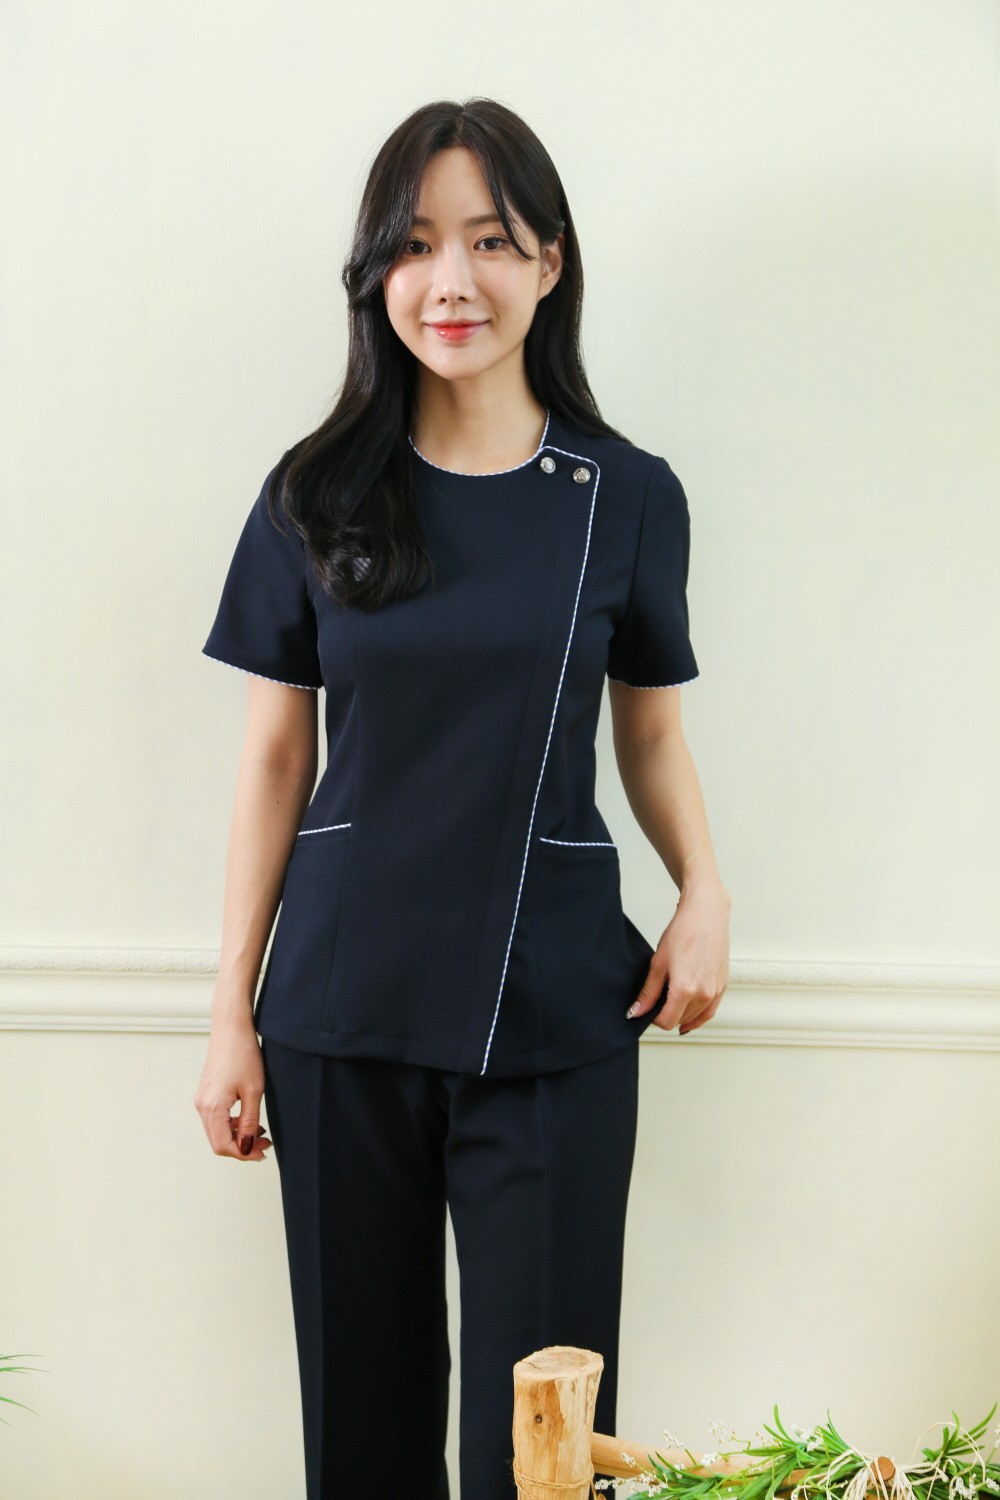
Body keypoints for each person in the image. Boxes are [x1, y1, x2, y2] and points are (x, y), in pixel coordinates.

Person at [193, 97, 731, 1500]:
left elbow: (651, 733)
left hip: (555, 1012)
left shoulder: (627, 497)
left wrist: (705, 890)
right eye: (417, 242)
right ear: (377, 270)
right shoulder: (315, 493)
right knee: (362, 1442)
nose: (453, 280)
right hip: (340, 1008)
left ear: (549, 261)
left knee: (541, 1448)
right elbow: (274, 761)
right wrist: (230, 1011)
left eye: (491, 240)